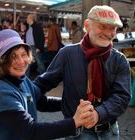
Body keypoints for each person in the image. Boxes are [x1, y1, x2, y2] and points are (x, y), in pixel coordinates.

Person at [34, 5, 131, 140]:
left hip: (110, 133)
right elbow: (43, 83)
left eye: (113, 28)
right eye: (103, 27)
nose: (109, 33)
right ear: (87, 25)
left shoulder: (119, 60)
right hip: (76, 133)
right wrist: (18, 92)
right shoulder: (67, 54)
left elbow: (122, 96)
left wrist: (98, 114)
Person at [0, 29, 94, 140]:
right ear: (2, 61)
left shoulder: (22, 79)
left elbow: (42, 102)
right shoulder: (0, 91)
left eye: (24, 54)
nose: (21, 61)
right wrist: (74, 122)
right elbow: (32, 131)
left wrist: (74, 102)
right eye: (13, 57)